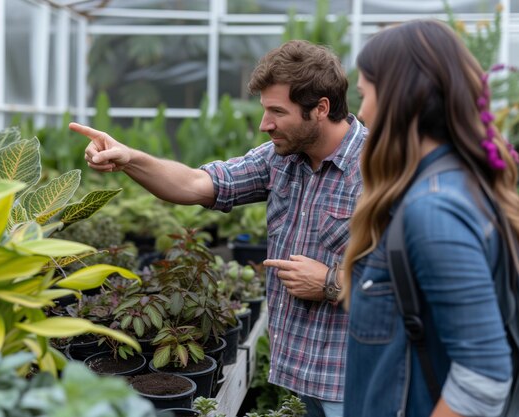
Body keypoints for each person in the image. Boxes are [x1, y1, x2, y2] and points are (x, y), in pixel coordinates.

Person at [71, 40, 366, 417]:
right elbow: (196, 184)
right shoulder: (282, 160)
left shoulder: (378, 167)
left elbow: (410, 282)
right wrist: (130, 159)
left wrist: (329, 282)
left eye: (277, 111)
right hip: (301, 369)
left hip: (355, 376)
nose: (265, 124)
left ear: (320, 108)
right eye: (265, 110)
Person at [342, 19, 519, 417]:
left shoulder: (433, 211)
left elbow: (483, 379)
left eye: (365, 93)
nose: (362, 111)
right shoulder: (458, 186)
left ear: (398, 99)